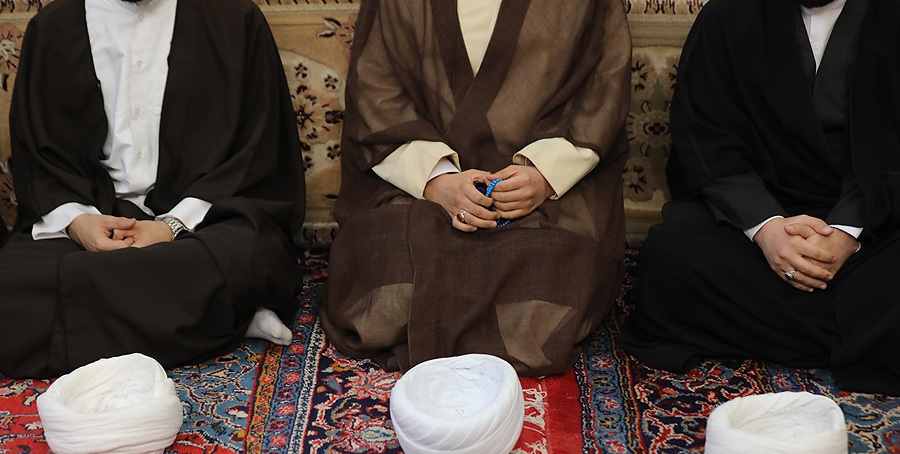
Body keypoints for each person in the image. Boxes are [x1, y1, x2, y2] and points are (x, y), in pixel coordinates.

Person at [319, 0, 631, 376]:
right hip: (419, 185)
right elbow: (376, 93)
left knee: (545, 300)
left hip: (542, 190)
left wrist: (543, 175)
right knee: (389, 291)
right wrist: (437, 180)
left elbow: (603, 90)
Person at [0, 0, 305, 379]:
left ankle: (194, 311)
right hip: (92, 221)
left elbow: (258, 148)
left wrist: (170, 227)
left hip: (205, 221)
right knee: (11, 286)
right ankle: (224, 318)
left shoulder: (236, 18)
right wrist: (79, 224)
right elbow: (37, 154)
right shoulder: (52, 27)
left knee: (248, 254)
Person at [624, 0, 900, 394]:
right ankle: (864, 333)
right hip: (762, 211)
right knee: (670, 257)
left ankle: (796, 328)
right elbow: (705, 134)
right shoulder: (729, 14)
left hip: (875, 216)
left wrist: (846, 231)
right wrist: (767, 228)